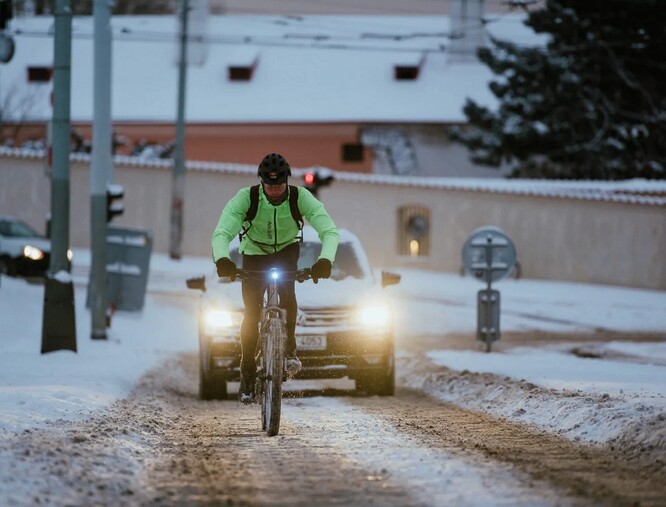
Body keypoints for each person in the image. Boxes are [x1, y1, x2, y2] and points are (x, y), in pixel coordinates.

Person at [211, 153, 339, 403]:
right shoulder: (246, 198)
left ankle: (289, 348)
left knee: (287, 292)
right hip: (254, 253)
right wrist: (222, 259)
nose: (274, 190)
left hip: (286, 252)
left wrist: (325, 260)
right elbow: (222, 232)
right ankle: (247, 370)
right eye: (269, 186)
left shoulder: (300, 198)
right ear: (261, 182)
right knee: (251, 312)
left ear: (288, 181)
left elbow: (329, 231)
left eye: (279, 185)